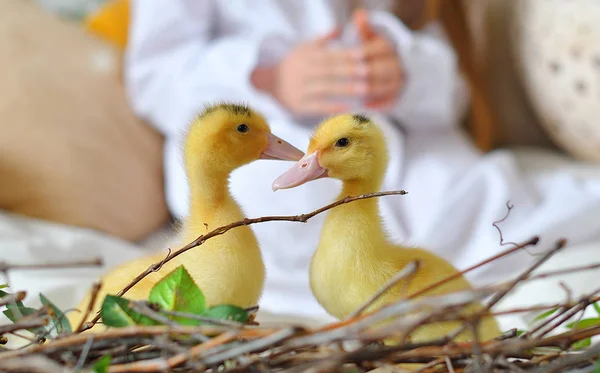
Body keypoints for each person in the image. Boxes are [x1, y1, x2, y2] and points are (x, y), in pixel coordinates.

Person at [123, 0, 600, 321]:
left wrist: (404, 72)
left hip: (396, 130)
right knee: (275, 212)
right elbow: (155, 75)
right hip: (262, 125)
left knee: (481, 195)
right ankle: (352, 295)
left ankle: (434, 273)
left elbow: (451, 86)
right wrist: (268, 75)